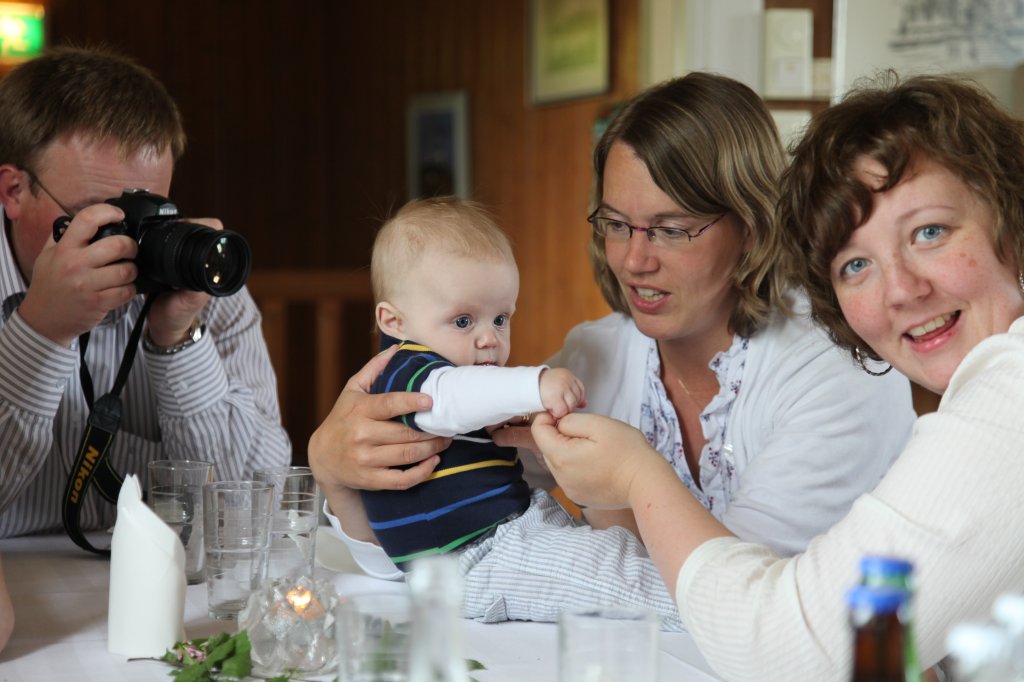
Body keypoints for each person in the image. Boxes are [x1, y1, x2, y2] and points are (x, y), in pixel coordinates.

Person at [309, 73, 915, 628]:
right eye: (617, 224)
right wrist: (335, 471)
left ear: (752, 226)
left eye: (671, 229)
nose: (633, 259)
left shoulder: (837, 369)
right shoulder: (593, 355)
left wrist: (620, 490)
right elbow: (439, 538)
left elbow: (743, 605)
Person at [533, 72, 1024, 681]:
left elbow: (785, 645)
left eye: (930, 232)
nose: (900, 290)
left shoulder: (1010, 392)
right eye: (855, 265)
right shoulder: (595, 350)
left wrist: (633, 478)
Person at [0, 46, 291, 538]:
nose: (128, 239)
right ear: (13, 191)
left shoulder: (203, 294)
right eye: (97, 213)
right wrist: (40, 332)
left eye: (148, 211)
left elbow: (248, 509)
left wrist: (178, 339)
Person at [355, 196, 584, 571]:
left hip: (504, 532)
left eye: (501, 319)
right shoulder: (405, 371)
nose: (490, 338)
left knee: (616, 558)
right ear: (395, 322)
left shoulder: (459, 379)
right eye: (463, 321)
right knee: (612, 575)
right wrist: (535, 384)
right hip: (466, 556)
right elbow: (451, 397)